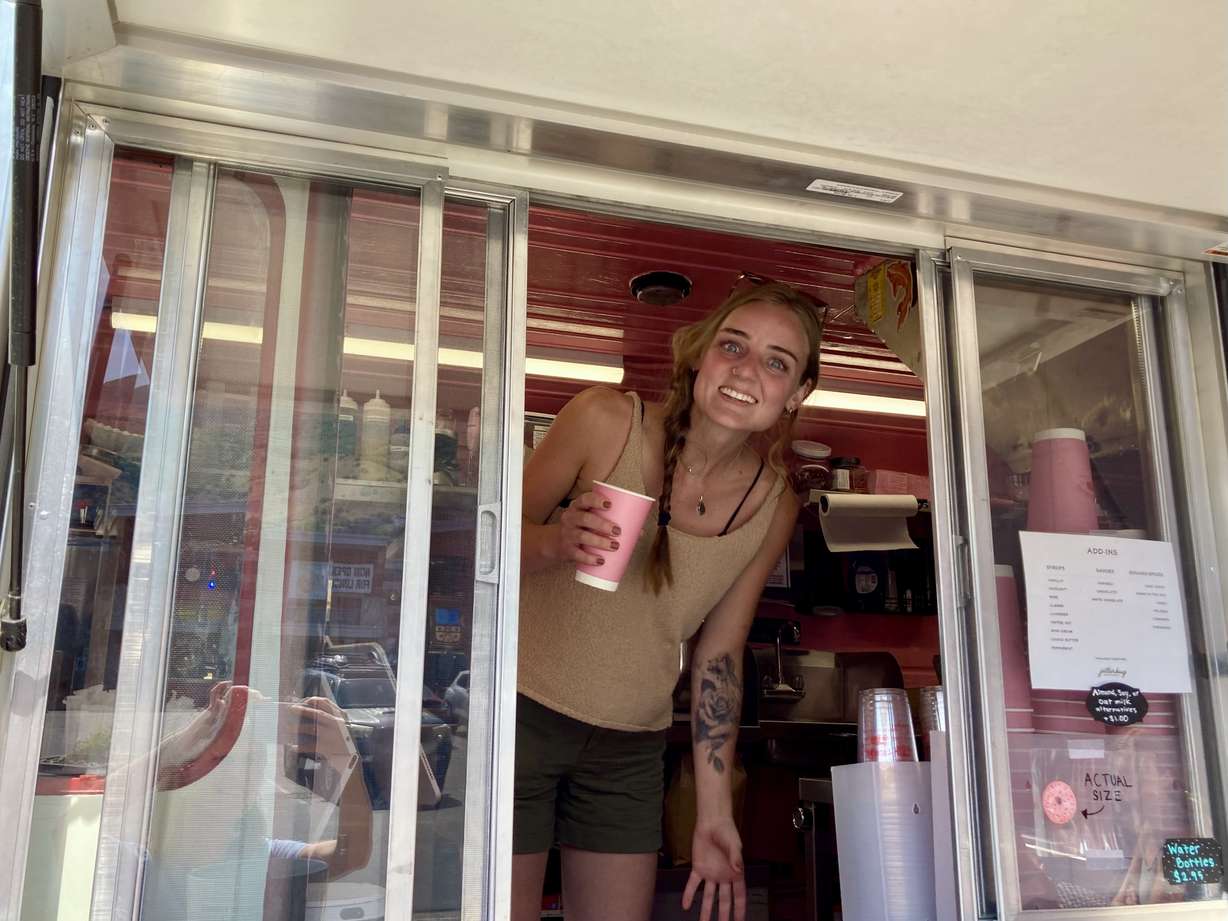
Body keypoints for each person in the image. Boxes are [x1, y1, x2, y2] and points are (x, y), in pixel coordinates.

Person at [514, 275, 825, 921]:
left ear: (795, 393)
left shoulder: (772, 505)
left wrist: (715, 811)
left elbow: (719, 654)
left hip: (629, 747)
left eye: (776, 362)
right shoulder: (603, 420)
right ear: (700, 354)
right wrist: (553, 542)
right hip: (519, 716)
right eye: (732, 346)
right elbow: (480, 550)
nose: (747, 371)